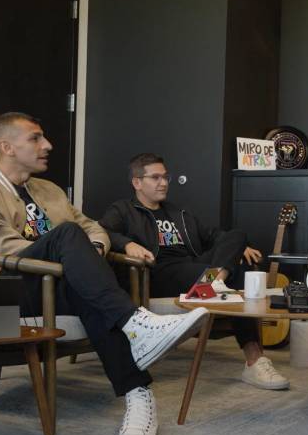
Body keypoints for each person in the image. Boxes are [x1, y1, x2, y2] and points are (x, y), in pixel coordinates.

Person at [0, 112, 210, 435]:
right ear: (7, 146)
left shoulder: (50, 190)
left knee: (88, 290)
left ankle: (138, 396)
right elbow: (2, 246)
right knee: (67, 237)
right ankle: (137, 323)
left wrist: (94, 249)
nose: (48, 145)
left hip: (58, 285)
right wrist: (68, 255)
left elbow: (94, 228)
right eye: (36, 138)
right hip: (12, 288)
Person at [99, 153, 290, 390]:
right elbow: (101, 232)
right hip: (156, 273)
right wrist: (126, 243)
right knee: (237, 275)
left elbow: (214, 236)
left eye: (166, 177)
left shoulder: (178, 214)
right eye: (155, 177)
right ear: (137, 182)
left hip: (194, 268)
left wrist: (240, 246)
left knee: (237, 235)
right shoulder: (123, 210)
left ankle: (217, 282)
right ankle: (253, 358)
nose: (164, 182)